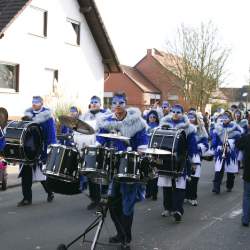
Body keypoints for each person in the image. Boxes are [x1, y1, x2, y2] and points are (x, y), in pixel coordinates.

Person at [96, 92, 148, 249]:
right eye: (114, 103)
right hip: (112, 167)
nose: (117, 105)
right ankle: (120, 233)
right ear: (111, 105)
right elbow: (100, 139)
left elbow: (142, 142)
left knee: (127, 204)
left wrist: (139, 151)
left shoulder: (136, 122)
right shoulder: (107, 121)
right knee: (112, 203)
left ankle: (126, 238)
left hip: (129, 167)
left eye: (121, 102)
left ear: (126, 104)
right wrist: (96, 146)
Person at [159, 104, 200, 222]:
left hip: (181, 159)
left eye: (178, 112)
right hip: (166, 158)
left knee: (179, 186)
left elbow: (192, 145)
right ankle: (168, 208)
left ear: (183, 113)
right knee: (166, 185)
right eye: (173, 111)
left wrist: (192, 160)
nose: (175, 114)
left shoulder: (189, 128)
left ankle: (178, 210)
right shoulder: (164, 124)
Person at [17, 96, 56, 206]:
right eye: (33, 102)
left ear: (41, 103)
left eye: (37, 102)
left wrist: (47, 152)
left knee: (41, 175)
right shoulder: (28, 114)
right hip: (28, 150)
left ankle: (50, 192)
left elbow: (50, 136)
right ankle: (27, 198)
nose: (34, 104)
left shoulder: (47, 117)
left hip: (41, 149)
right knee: (26, 174)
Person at [79, 96, 110, 210]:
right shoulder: (85, 116)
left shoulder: (107, 116)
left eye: (96, 102)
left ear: (100, 104)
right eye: (91, 102)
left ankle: (105, 198)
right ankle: (95, 199)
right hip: (89, 149)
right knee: (91, 174)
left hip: (102, 148)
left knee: (103, 174)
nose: (93, 104)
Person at [211, 110, 242, 194]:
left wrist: (231, 145)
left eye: (226, 118)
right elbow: (215, 140)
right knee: (218, 169)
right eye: (223, 118)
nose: (224, 119)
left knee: (230, 170)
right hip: (220, 151)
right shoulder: (218, 128)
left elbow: (238, 141)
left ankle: (229, 186)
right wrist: (217, 147)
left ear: (230, 118)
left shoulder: (235, 129)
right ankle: (216, 187)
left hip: (231, 152)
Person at [185, 112, 209, 206]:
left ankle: (192, 197)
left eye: (192, 118)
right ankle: (185, 196)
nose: (190, 119)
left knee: (194, 178)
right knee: (185, 177)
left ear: (196, 119)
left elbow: (205, 144)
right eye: (189, 117)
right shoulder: (183, 128)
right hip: (185, 155)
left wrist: (198, 147)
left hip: (195, 156)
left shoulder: (201, 129)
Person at [235, 133, 250, 226]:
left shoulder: (247, 137)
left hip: (248, 171)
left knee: (247, 195)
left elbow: (237, 144)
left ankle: (245, 219)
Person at [145, 110, 160, 200]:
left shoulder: (159, 127)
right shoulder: (145, 126)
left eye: (154, 117)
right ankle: (148, 192)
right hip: (146, 151)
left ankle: (154, 193)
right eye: (150, 117)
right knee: (147, 172)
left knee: (155, 172)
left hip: (155, 151)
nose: (152, 119)